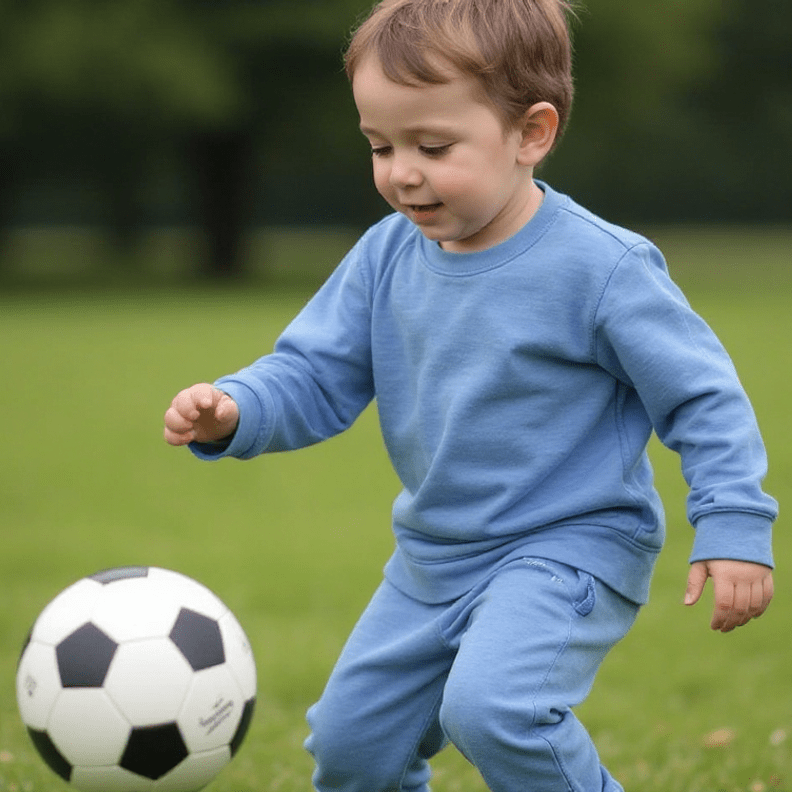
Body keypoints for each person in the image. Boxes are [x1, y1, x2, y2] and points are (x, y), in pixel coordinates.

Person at [163, 0, 777, 789]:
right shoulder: (386, 256)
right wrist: (236, 408)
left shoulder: (603, 269)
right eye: (380, 145)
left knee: (496, 709)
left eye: (433, 145)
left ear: (532, 134)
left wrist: (734, 523)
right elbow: (315, 373)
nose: (401, 171)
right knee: (353, 750)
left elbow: (702, 396)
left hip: (568, 545)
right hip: (434, 555)